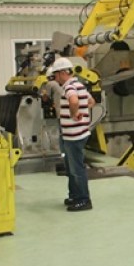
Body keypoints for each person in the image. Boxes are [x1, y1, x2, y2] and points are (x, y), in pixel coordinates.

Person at [50, 57, 95, 212]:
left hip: (73, 135)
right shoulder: (80, 85)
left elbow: (74, 101)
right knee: (71, 168)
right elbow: (91, 101)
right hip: (77, 133)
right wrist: (81, 111)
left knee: (76, 169)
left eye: (56, 75)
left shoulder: (69, 87)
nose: (55, 78)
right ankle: (75, 196)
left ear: (63, 73)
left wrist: (74, 113)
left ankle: (83, 200)